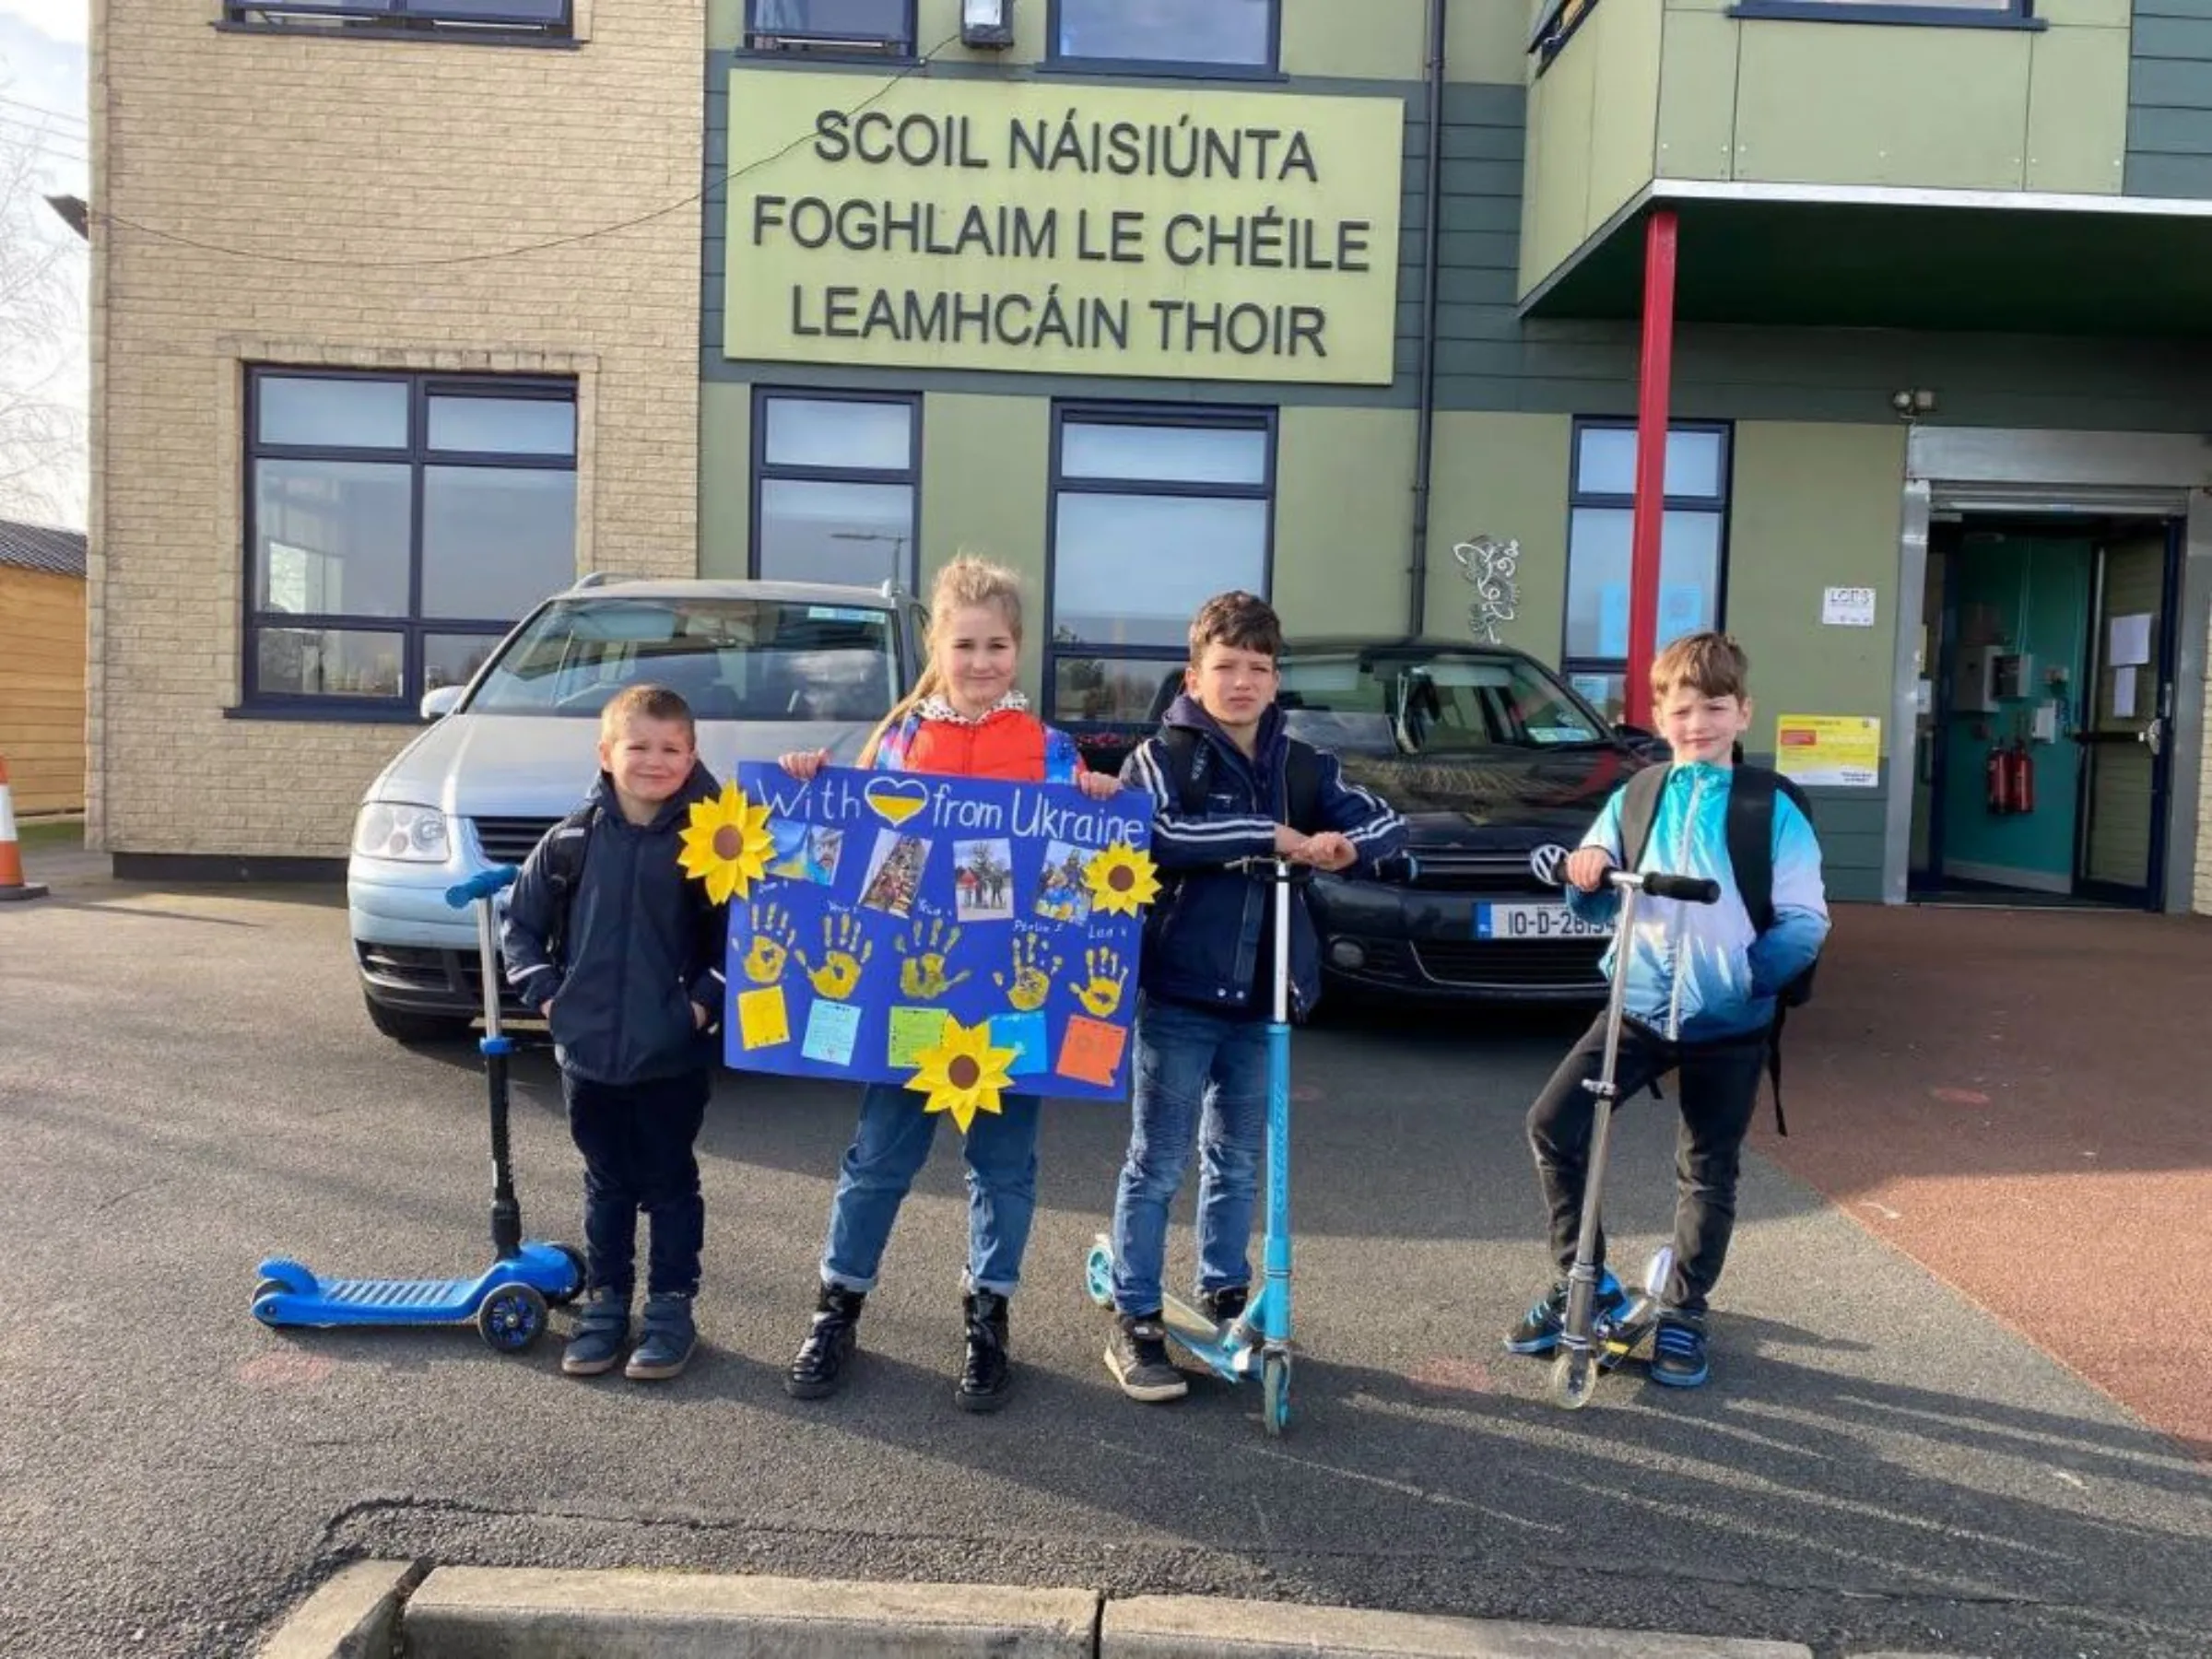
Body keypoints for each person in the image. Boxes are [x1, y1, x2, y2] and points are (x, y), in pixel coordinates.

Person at [776, 554, 1121, 1412]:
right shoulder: (899, 740)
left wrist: (1095, 797)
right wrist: (810, 786)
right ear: (937, 642)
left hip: (1010, 1001)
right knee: (879, 1158)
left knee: (1004, 1167)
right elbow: (859, 858)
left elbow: (1071, 872)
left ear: (1019, 648)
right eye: (964, 644)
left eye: (997, 645)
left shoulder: (1047, 748)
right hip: (912, 1000)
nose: (980, 662)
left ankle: (987, 1313)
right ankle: (838, 1305)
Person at [1102, 592, 1407, 1402]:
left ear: (1276, 680)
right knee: (1158, 1159)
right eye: (1226, 667)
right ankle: (1134, 1315)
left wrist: (1345, 845)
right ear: (1195, 674)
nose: (1242, 682)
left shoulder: (1305, 764)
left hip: (1265, 997)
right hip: (1179, 990)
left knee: (1236, 1157)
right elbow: (1161, 835)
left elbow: (1386, 826)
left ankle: (1226, 1290)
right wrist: (1269, 835)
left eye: (1258, 669)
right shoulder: (1160, 756)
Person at [1505, 632, 1829, 1388]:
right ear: (1659, 714)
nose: (1698, 723)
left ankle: (1685, 1311)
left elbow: (1806, 922)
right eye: (1682, 709)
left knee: (1707, 1168)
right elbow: (1592, 900)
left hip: (1729, 1019)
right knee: (1552, 1124)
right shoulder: (1637, 795)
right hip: (1638, 1006)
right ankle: (1583, 1281)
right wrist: (1584, 877)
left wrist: (1746, 984)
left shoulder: (1770, 807)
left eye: (1715, 707)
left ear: (1743, 712)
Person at [501, 685, 727, 1382]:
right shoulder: (569, 841)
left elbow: (740, 942)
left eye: (670, 748)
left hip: (671, 1055)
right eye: (639, 746)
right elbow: (521, 926)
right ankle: (605, 1304)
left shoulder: (712, 847)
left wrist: (698, 1008)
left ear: (691, 757)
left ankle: (670, 1307)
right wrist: (549, 999)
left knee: (667, 1180)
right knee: (606, 1181)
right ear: (606, 752)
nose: (654, 761)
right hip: (588, 1056)